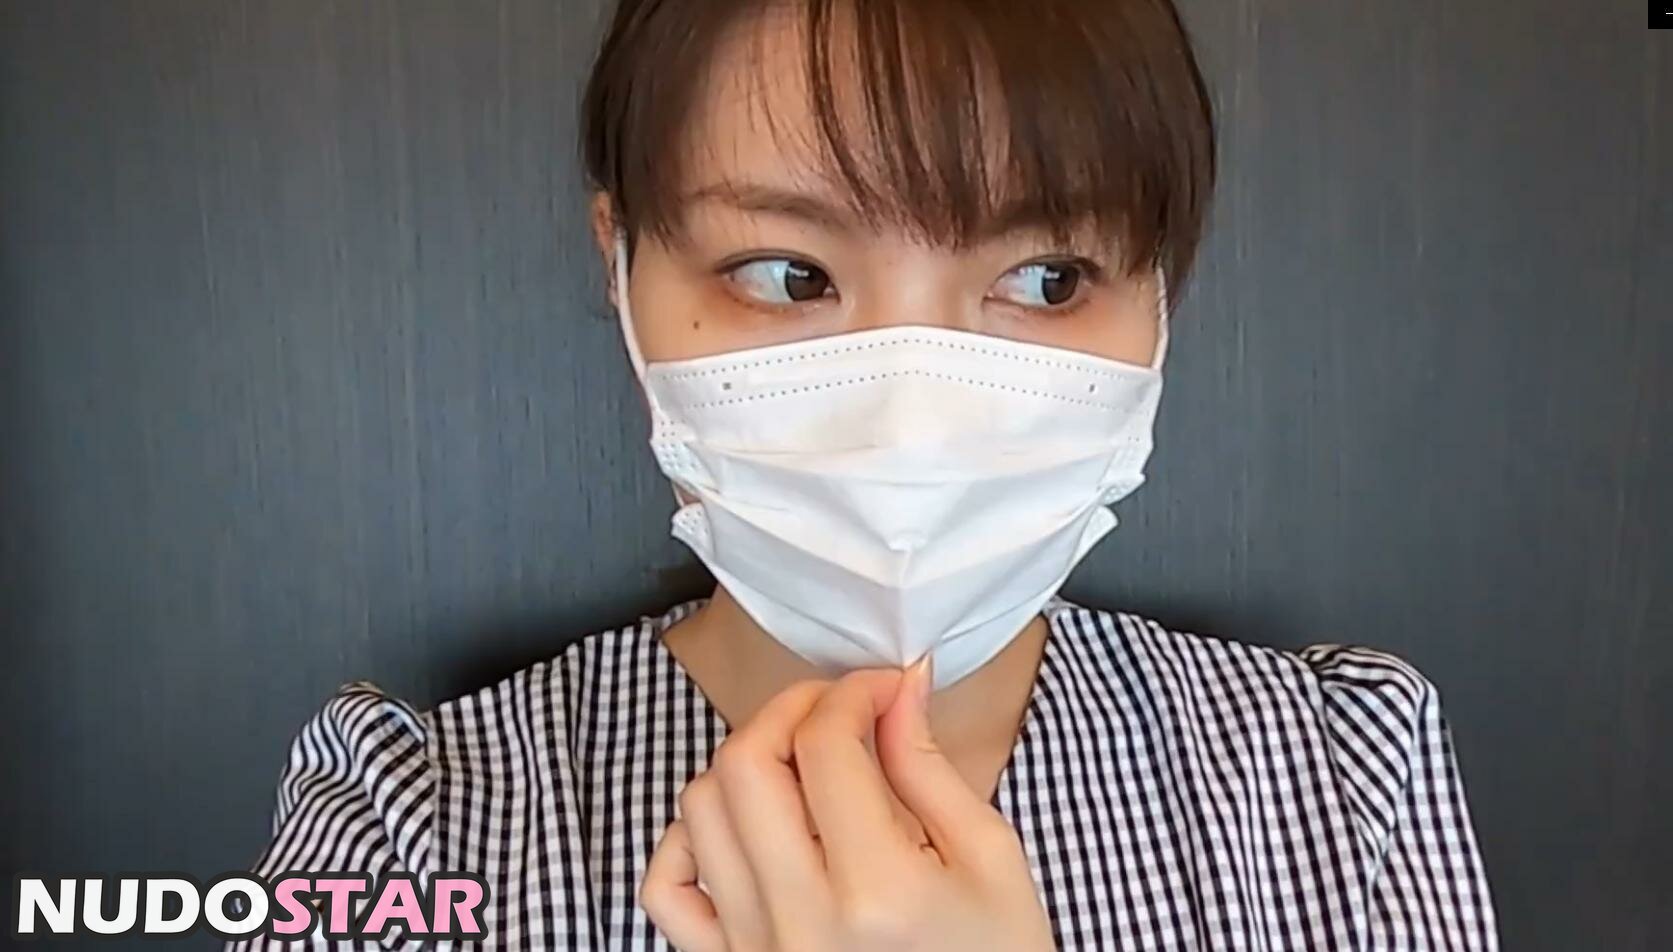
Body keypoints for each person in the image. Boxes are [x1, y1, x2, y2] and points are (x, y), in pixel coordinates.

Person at [233, 0, 1498, 949]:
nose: (912, 420)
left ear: (1158, 296)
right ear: (620, 264)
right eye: (789, 275)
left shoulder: (1339, 774)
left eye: (1045, 278)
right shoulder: (407, 825)